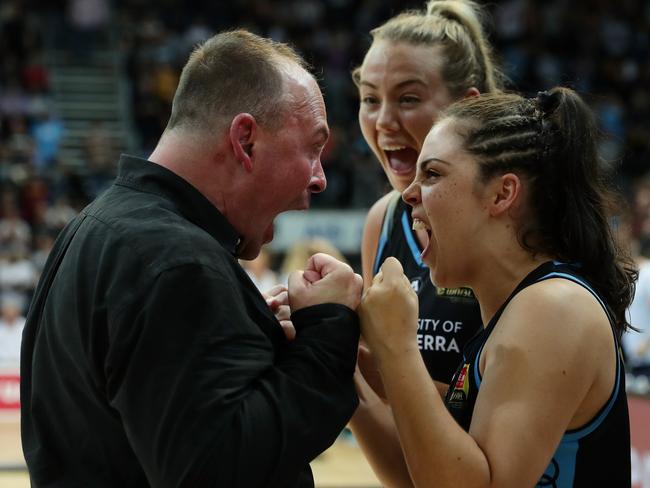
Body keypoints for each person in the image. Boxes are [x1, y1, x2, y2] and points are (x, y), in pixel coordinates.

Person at [20, 30, 364, 487]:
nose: (319, 178)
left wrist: (256, 347)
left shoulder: (97, 227)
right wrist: (328, 332)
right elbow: (218, 472)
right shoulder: (178, 261)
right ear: (246, 140)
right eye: (313, 149)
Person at [358, 87, 635, 487]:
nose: (408, 193)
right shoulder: (523, 307)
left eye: (433, 173)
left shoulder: (554, 308)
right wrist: (347, 363)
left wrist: (397, 347)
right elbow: (424, 470)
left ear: (502, 193)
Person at [349, 1, 502, 484]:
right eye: (370, 99)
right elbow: (407, 461)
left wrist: (386, 368)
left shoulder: (513, 225)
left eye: (408, 98)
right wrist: (328, 352)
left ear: (468, 106)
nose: (384, 121)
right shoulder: (383, 222)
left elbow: (493, 444)